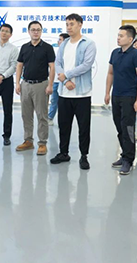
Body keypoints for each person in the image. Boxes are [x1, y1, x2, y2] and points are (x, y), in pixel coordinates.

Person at [50, 14, 97, 169]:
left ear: (80, 25)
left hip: (82, 93)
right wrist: (65, 81)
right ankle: (63, 153)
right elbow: (58, 63)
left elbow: (86, 65)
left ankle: (84, 156)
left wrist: (67, 75)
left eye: (72, 24)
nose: (69, 27)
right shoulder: (64, 44)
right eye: (67, 24)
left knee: (84, 127)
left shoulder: (88, 44)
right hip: (64, 93)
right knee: (64, 126)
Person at [104, 25, 137, 175]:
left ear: (130, 38)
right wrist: (107, 92)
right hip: (116, 96)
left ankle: (128, 159)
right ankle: (124, 154)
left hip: (130, 97)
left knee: (128, 128)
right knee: (119, 127)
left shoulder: (136, 55)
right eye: (118, 35)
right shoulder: (115, 53)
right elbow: (110, 73)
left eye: (121, 36)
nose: (118, 38)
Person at [15, 21, 55, 155]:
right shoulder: (24, 47)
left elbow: (52, 67)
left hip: (41, 85)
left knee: (42, 115)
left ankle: (42, 143)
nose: (36, 32)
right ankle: (28, 141)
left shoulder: (47, 48)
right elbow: (19, 65)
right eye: (33, 30)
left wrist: (50, 85)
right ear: (29, 32)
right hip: (26, 85)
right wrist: (17, 83)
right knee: (26, 115)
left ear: (41, 31)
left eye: (38, 30)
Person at [48, 33, 70, 125]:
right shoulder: (56, 51)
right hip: (55, 81)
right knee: (54, 100)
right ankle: (50, 117)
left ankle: (64, 120)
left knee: (64, 103)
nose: (58, 41)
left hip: (65, 81)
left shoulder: (69, 53)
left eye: (60, 39)